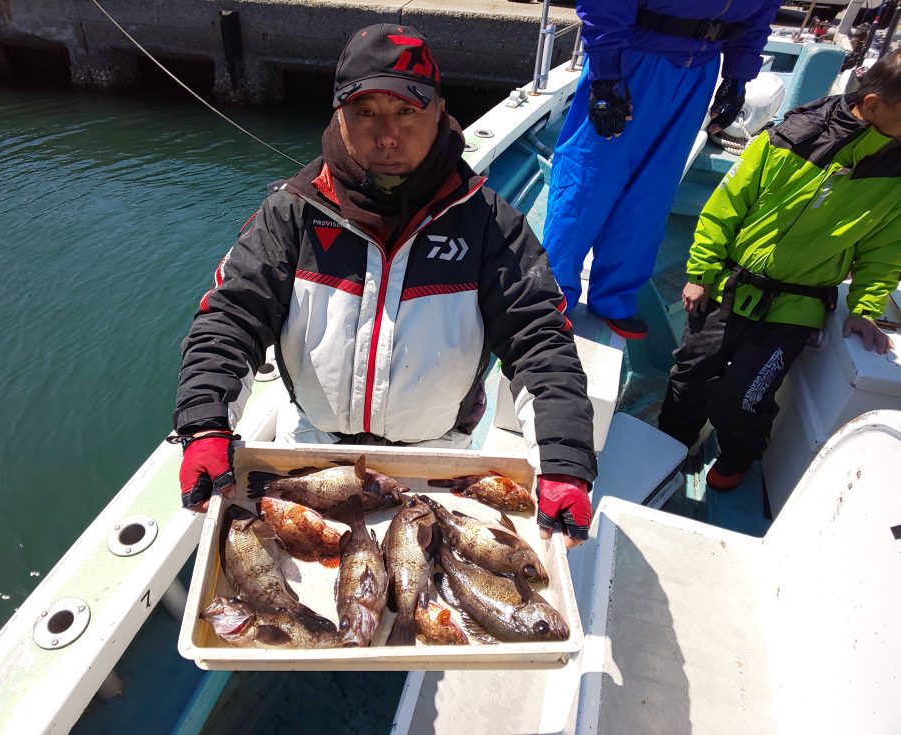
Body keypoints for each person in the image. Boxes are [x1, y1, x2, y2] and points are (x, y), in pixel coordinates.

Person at [171, 24, 597, 548]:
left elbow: (540, 339)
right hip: (309, 444)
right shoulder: (293, 211)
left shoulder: (489, 223)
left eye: (407, 111)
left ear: (439, 110)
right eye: (365, 113)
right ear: (339, 117)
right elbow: (231, 316)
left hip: (436, 456)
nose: (387, 136)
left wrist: (564, 462)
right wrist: (205, 424)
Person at [658, 49, 901, 491]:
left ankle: (739, 455)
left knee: (745, 395)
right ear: (872, 106)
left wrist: (864, 307)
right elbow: (726, 206)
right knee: (690, 373)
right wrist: (701, 270)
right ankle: (669, 446)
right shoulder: (790, 135)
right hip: (729, 284)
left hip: (797, 306)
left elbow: (885, 249)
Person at [542, 0, 782, 339]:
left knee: (653, 190)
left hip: (701, 71)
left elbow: (760, 13)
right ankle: (552, 296)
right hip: (632, 58)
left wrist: (736, 77)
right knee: (588, 180)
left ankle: (615, 296)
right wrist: (607, 74)